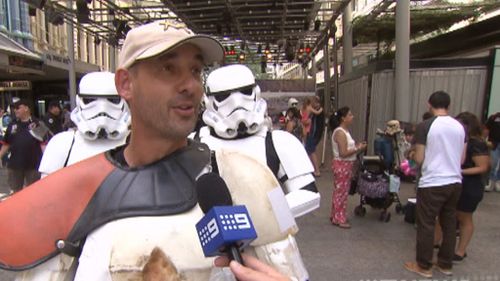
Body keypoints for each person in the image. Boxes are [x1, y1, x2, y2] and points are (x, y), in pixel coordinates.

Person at [1, 20, 300, 281]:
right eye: (168, 68)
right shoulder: (70, 189)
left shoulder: (247, 178)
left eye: (196, 70)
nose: (191, 86)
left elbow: (289, 270)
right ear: (125, 83)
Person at [200, 64, 319, 281]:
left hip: (275, 251)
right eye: (224, 96)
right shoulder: (197, 147)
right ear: (209, 101)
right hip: (219, 256)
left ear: (255, 92)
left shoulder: (279, 142)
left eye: (245, 92)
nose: (237, 103)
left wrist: (260, 217)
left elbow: (308, 193)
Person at [404, 91, 465, 278]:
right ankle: (445, 264)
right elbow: (461, 159)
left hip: (432, 182)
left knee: (427, 223)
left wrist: (412, 155)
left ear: (429, 104)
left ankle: (423, 265)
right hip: (455, 181)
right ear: (449, 105)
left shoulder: (425, 126)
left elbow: (420, 158)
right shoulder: (460, 127)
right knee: (449, 223)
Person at [38, 71, 130, 178]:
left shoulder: (137, 144)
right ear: (79, 101)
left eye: (112, 100)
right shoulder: (62, 144)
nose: (102, 109)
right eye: (90, 100)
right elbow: (47, 190)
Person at [453, 112, 489, 262]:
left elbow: (482, 167)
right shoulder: (460, 141)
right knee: (452, 215)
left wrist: (460, 171)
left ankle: (461, 251)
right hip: (459, 182)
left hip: (471, 185)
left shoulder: (477, 144)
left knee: (464, 218)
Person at [329, 106, 367, 229]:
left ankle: (335, 215)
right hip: (342, 165)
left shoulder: (344, 131)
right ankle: (339, 218)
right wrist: (358, 148)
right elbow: (343, 152)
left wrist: (356, 146)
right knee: (341, 192)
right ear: (343, 118)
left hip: (345, 165)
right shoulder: (340, 132)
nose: (352, 117)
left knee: (340, 191)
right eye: (350, 115)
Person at [0, 99, 45, 193]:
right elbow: (6, 143)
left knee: (34, 192)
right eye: (14, 109)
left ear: (26, 108)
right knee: (15, 192)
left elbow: (43, 145)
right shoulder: (12, 124)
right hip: (15, 165)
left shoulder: (37, 123)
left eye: (18, 108)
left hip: (33, 165)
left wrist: (46, 162)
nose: (15, 110)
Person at [305, 96, 324, 177]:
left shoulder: (317, 111)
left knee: (311, 151)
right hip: (313, 133)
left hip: (313, 133)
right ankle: (312, 169)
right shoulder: (314, 110)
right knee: (309, 151)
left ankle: (316, 170)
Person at [485, 111, 500, 192]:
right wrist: (483, 140)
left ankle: (498, 181)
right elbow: (487, 129)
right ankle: (490, 182)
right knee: (493, 163)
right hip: (494, 144)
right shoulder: (494, 117)